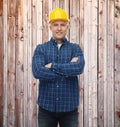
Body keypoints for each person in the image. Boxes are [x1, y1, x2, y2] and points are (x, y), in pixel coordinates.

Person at [32, 8, 85, 127]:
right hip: (46, 109)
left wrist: (52, 66)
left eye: (62, 25)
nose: (59, 28)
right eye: (55, 25)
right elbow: (37, 71)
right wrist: (67, 71)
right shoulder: (41, 48)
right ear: (50, 27)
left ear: (67, 27)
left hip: (69, 109)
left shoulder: (75, 48)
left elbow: (78, 68)